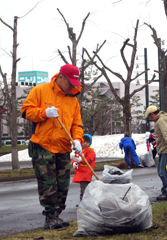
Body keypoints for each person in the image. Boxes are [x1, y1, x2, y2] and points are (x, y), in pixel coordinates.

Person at [20, 64, 83, 230]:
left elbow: (77, 124)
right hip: (42, 145)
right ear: (60, 78)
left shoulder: (73, 99)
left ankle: (57, 214)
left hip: (63, 146)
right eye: (70, 82)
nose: (72, 86)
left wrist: (77, 139)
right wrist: (44, 113)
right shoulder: (40, 91)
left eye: (74, 83)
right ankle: (50, 216)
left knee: (63, 184)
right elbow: (26, 111)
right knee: (48, 183)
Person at [145, 105, 167, 201]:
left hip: (165, 150)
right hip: (162, 150)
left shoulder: (160, 121)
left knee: (163, 172)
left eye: (149, 116)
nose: (150, 118)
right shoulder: (161, 119)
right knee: (162, 172)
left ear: (152, 114)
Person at [71, 134, 96, 207]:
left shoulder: (90, 151)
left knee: (84, 189)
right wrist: (74, 163)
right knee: (83, 188)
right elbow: (75, 158)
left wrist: (81, 160)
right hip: (81, 174)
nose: (85, 143)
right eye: (84, 142)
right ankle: (84, 201)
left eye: (87, 142)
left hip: (86, 174)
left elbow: (89, 159)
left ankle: (84, 202)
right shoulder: (79, 151)